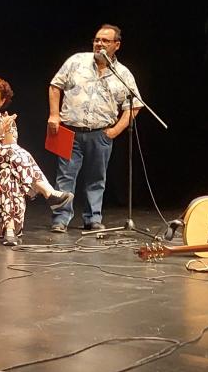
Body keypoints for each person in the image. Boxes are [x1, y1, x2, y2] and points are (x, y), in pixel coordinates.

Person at [46, 24, 144, 232]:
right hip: (69, 130)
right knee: (65, 177)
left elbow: (134, 106)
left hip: (101, 134)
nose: (99, 44)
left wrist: (115, 131)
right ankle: (60, 220)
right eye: (97, 40)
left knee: (96, 179)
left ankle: (92, 219)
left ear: (116, 45)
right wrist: (54, 115)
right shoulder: (76, 61)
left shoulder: (123, 74)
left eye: (105, 41)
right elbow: (55, 86)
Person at [0, 76, 72, 246]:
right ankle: (48, 192)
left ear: (2, 101)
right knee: (11, 156)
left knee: (10, 171)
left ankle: (9, 229)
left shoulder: (5, 120)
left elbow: (14, 155)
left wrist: (7, 130)